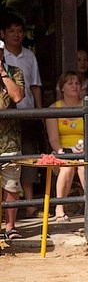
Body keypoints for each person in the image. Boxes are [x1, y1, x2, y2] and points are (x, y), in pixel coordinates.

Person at [1, 13, 43, 215]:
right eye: (12, 31)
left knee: (26, 157)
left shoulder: (29, 56)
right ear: (3, 34)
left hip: (26, 112)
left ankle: (30, 203)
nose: (16, 35)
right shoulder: (3, 57)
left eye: (20, 31)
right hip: (7, 118)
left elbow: (35, 86)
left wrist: (40, 112)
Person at [45, 71, 86, 222]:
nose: (74, 86)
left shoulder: (86, 105)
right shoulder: (53, 109)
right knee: (67, 166)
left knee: (84, 166)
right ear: (62, 88)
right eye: (70, 83)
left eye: (77, 83)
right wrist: (64, 153)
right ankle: (59, 208)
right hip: (62, 151)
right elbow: (53, 139)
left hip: (84, 150)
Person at [0, 40, 26, 239]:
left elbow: (17, 97)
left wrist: (2, 73)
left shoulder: (14, 72)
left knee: (11, 184)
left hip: (9, 141)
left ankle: (10, 226)